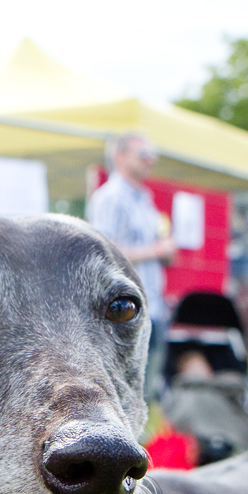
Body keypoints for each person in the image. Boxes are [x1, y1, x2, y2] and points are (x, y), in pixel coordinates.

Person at [87, 133, 176, 399]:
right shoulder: (111, 198)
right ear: (120, 156)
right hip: (123, 313)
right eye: (144, 154)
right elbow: (103, 252)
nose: (151, 161)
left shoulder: (144, 199)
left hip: (152, 306)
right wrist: (157, 250)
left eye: (153, 156)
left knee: (145, 395)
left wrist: (165, 253)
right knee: (122, 393)